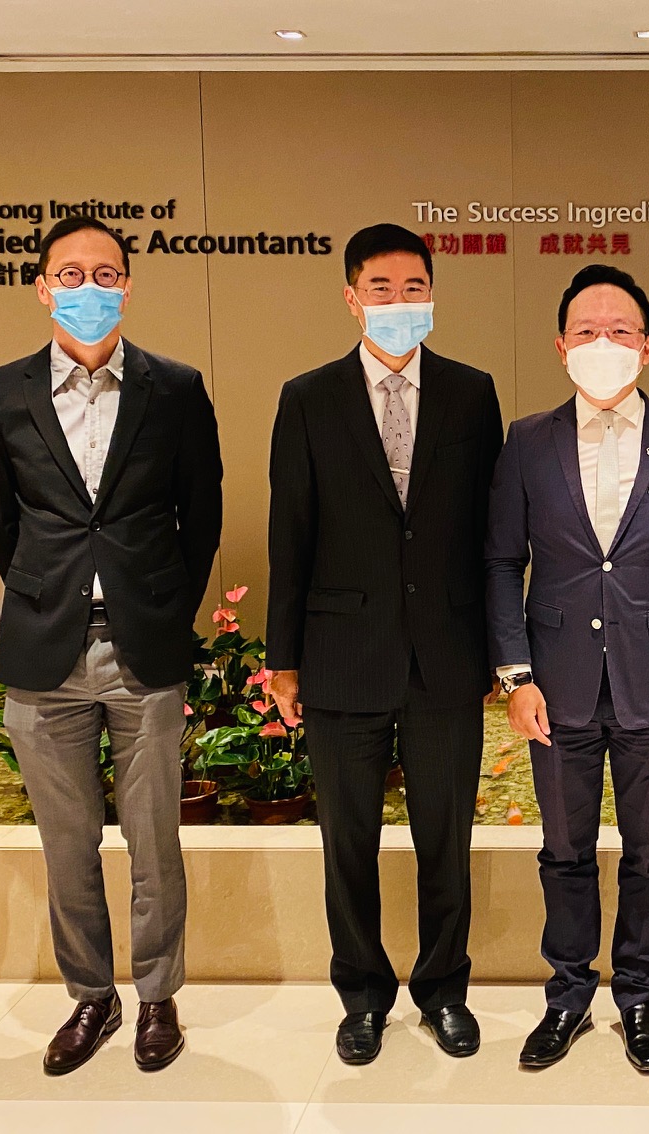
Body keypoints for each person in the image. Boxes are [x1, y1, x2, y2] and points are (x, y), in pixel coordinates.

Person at [0, 215, 223, 1076]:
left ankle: (156, 997)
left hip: (142, 647)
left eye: (105, 274)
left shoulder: (175, 388)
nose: (89, 287)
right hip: (44, 651)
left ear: (127, 286)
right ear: (43, 288)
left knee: (154, 842)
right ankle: (91, 996)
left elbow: (202, 514)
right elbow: (0, 519)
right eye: (70, 274)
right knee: (67, 844)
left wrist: (163, 606)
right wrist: (52, 593)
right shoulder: (0, 392)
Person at [266, 222, 504, 1066]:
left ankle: (444, 990)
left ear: (432, 295)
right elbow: (290, 533)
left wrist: (497, 651)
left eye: (414, 288)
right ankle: (362, 995)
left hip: (446, 654)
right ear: (351, 298)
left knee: (447, 838)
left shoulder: (472, 393)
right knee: (348, 842)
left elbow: (490, 534)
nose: (398, 302)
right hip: (341, 654)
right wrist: (282, 659)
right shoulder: (308, 397)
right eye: (381, 288)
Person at [486, 265, 649, 1073]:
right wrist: (516, 675)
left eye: (620, 330)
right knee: (564, 850)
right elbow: (502, 561)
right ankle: (566, 996)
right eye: (586, 331)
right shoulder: (528, 440)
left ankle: (639, 997)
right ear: (561, 347)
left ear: (647, 347)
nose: (603, 342)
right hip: (555, 686)